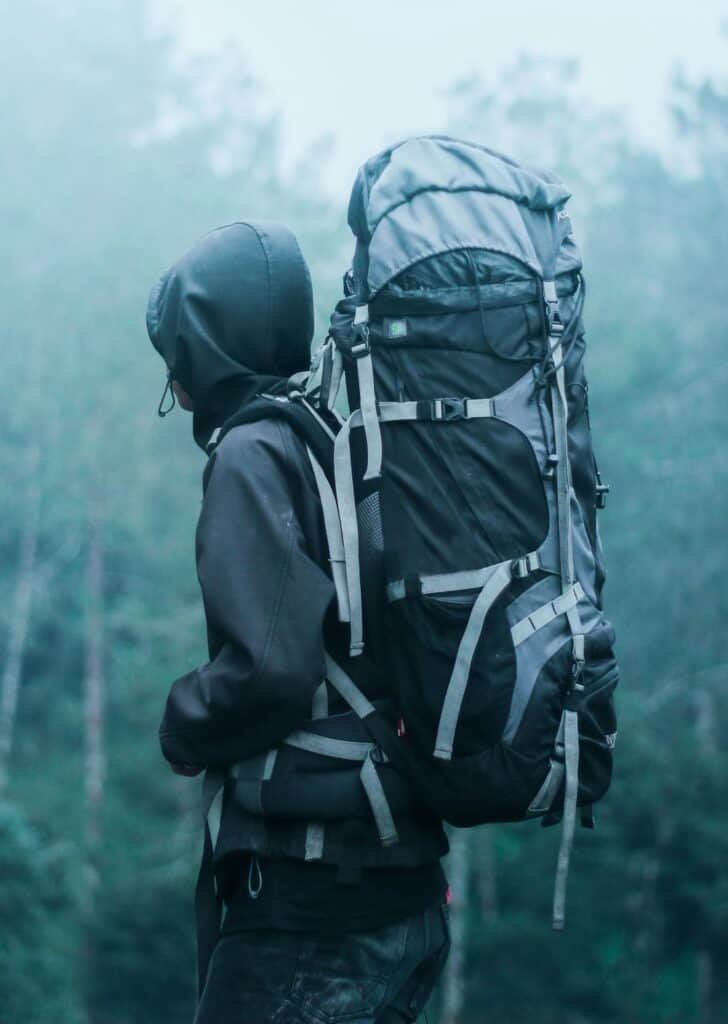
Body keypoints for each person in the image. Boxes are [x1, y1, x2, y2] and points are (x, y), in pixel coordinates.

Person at [146, 220, 450, 1024]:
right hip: (400, 893)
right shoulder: (337, 440)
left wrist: (182, 724)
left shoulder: (251, 455)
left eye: (178, 358)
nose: (177, 388)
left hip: (312, 909)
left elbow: (270, 670)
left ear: (209, 346)